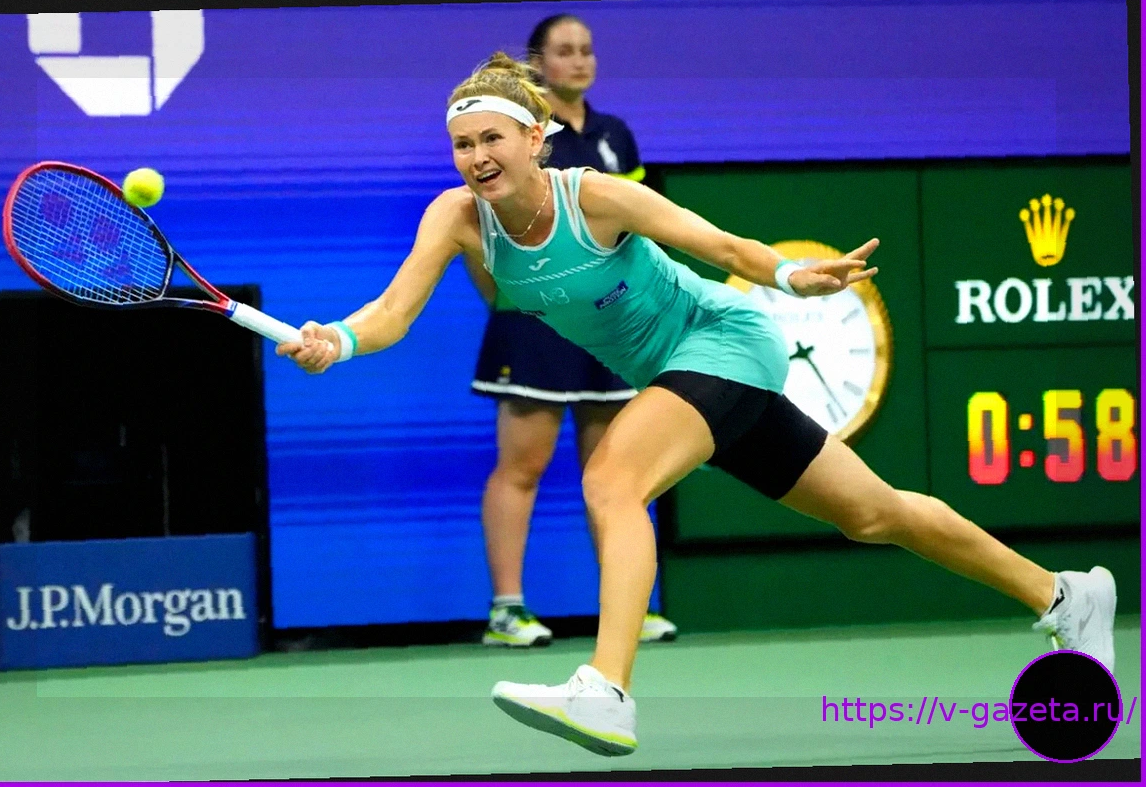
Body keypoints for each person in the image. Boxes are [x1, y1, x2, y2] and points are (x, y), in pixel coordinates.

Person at [278, 53, 1117, 758]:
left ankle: (607, 689)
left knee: (612, 480)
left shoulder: (594, 196)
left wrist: (793, 276)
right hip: (684, 378)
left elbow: (719, 244)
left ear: (535, 138)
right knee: (874, 514)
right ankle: (1064, 594)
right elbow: (392, 314)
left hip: (725, 341)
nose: (475, 156)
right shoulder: (458, 218)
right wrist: (336, 340)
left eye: (491, 138)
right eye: (462, 144)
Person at [465, 14, 675, 648]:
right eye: (565, 51)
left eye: (586, 50)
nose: (580, 61)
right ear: (538, 63)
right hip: (533, 325)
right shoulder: (512, 134)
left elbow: (634, 229)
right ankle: (507, 611)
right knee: (522, 466)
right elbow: (480, 230)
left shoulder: (614, 136)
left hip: (606, 323)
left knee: (614, 470)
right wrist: (513, 300)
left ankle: (627, 607)